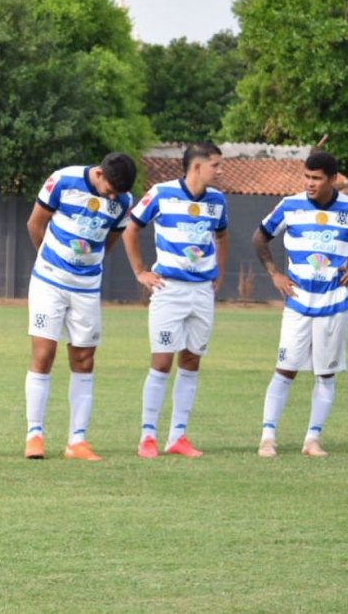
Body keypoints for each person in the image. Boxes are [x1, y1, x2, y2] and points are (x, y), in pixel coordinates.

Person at [252, 150, 348, 458]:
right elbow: (260, 237)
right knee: (285, 369)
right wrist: (275, 275)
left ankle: (312, 439)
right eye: (307, 177)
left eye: (317, 178)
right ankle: (267, 437)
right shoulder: (290, 206)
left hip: (334, 303)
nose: (310, 183)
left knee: (325, 374)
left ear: (333, 179)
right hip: (297, 303)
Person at [23, 152, 136, 461]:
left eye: (118, 193)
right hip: (49, 281)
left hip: (86, 288)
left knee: (84, 359)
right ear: (99, 173)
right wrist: (51, 262)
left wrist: (85, 265)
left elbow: (110, 241)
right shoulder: (62, 180)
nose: (112, 197)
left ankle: (77, 441)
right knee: (44, 355)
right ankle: (35, 434)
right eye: (110, 189)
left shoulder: (123, 202)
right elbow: (35, 224)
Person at [124, 143, 228, 459]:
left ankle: (178, 436)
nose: (220, 171)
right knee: (162, 361)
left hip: (201, 293)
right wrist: (140, 271)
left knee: (192, 360)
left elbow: (222, 238)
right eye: (216, 165)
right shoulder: (161, 193)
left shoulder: (217, 201)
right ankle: (147, 437)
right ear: (196, 166)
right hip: (169, 291)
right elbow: (131, 229)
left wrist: (218, 277)